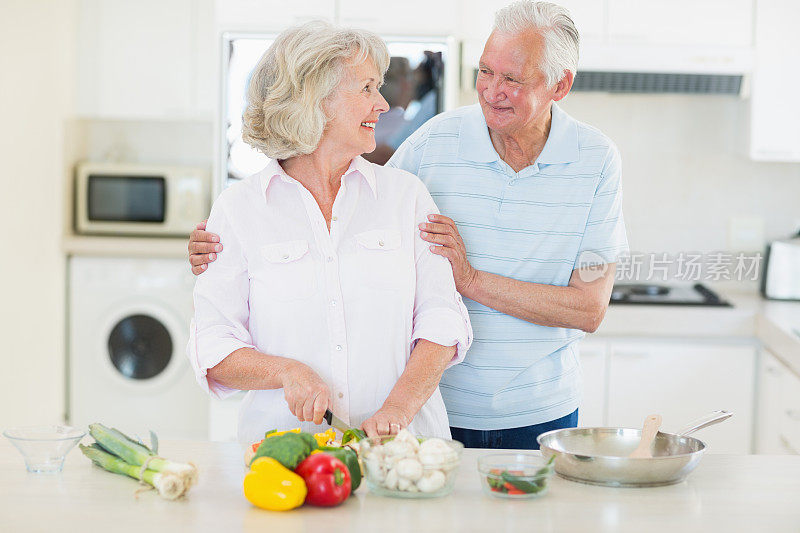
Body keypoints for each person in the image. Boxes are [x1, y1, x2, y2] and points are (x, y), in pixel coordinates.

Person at [189, 1, 626, 450]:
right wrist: (221, 246)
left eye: (512, 79)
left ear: (560, 85)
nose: (492, 89)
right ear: (312, 101)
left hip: (536, 407)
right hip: (413, 420)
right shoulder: (430, 147)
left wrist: (469, 281)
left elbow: (586, 308)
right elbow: (217, 333)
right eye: (485, 71)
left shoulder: (595, 161)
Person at [187, 21, 472, 449]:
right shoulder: (239, 210)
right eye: (366, 88)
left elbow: (442, 320)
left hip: (404, 455)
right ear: (313, 101)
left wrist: (398, 410)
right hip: (289, 458)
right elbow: (212, 343)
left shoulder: (406, 197)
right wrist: (285, 372)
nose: (382, 103)